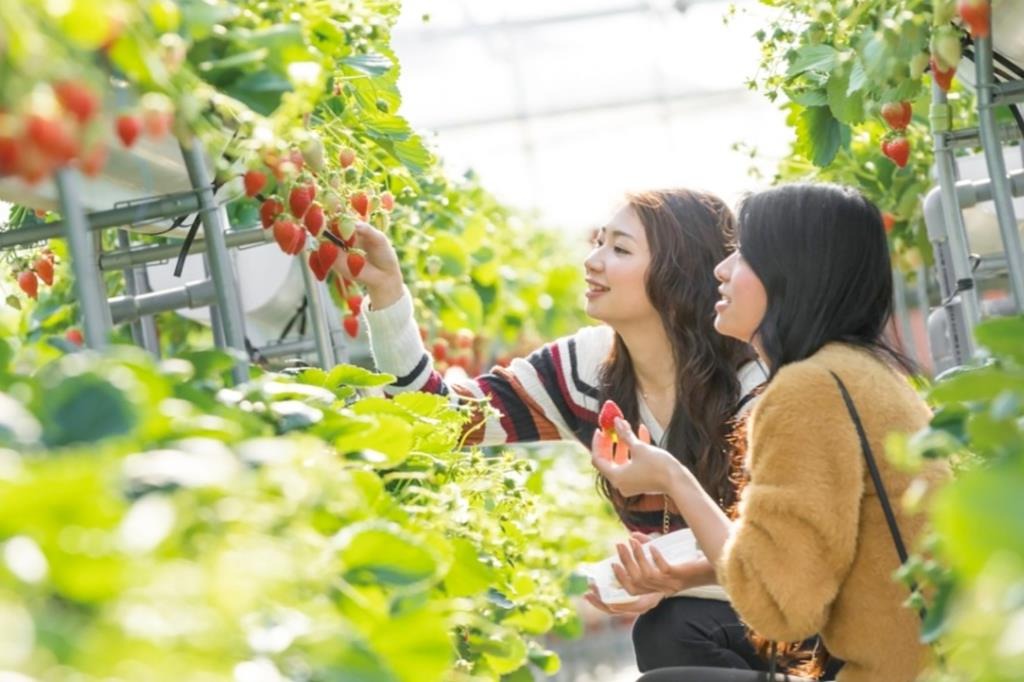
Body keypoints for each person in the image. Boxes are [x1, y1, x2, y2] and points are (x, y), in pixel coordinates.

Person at [331, 189, 770, 671]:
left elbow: (777, 559)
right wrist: (388, 293)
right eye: (599, 242)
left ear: (677, 275)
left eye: (619, 249)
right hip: (703, 615)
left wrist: (673, 574)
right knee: (668, 631)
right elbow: (438, 420)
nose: (592, 261)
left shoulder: (756, 386)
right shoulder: (585, 371)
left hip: (795, 612)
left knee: (670, 629)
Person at [591, 183, 949, 682]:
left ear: (792, 273)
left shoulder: (808, 391)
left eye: (743, 253)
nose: (722, 268)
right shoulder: (859, 371)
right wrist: (687, 574)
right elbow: (818, 563)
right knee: (678, 625)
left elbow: (781, 607)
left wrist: (673, 479)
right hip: (937, 662)